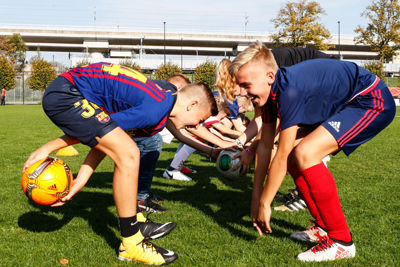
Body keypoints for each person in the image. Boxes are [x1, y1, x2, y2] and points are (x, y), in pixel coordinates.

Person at [23, 62, 218, 265]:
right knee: (130, 154)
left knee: (125, 151)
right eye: (199, 120)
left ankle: (135, 223)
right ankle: (131, 243)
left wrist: (77, 185)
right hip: (66, 94)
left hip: (66, 90)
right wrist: (48, 147)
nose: (196, 125)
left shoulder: (160, 101)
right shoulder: (155, 109)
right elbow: (100, 129)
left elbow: (101, 139)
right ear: (192, 104)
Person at [229, 41, 395, 262]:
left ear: (270, 76)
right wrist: (256, 198)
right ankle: (324, 227)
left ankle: (341, 241)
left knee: (305, 153)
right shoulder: (271, 93)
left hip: (371, 100)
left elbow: (281, 153)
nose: (241, 92)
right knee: (296, 157)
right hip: (350, 102)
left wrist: (265, 204)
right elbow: (266, 146)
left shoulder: (289, 90)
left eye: (246, 85)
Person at [219, 48, 336, 210]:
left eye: (240, 87)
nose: (241, 93)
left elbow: (276, 121)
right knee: (294, 148)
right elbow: (260, 119)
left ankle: (307, 197)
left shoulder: (272, 74)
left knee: (304, 148)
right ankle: (303, 192)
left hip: (327, 85)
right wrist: (241, 143)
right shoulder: (259, 82)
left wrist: (263, 202)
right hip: (310, 88)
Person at [132, 74, 192, 213]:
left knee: (152, 141)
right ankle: (140, 198)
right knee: (153, 141)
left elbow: (175, 128)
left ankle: (142, 192)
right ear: (180, 88)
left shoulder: (161, 94)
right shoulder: (168, 93)